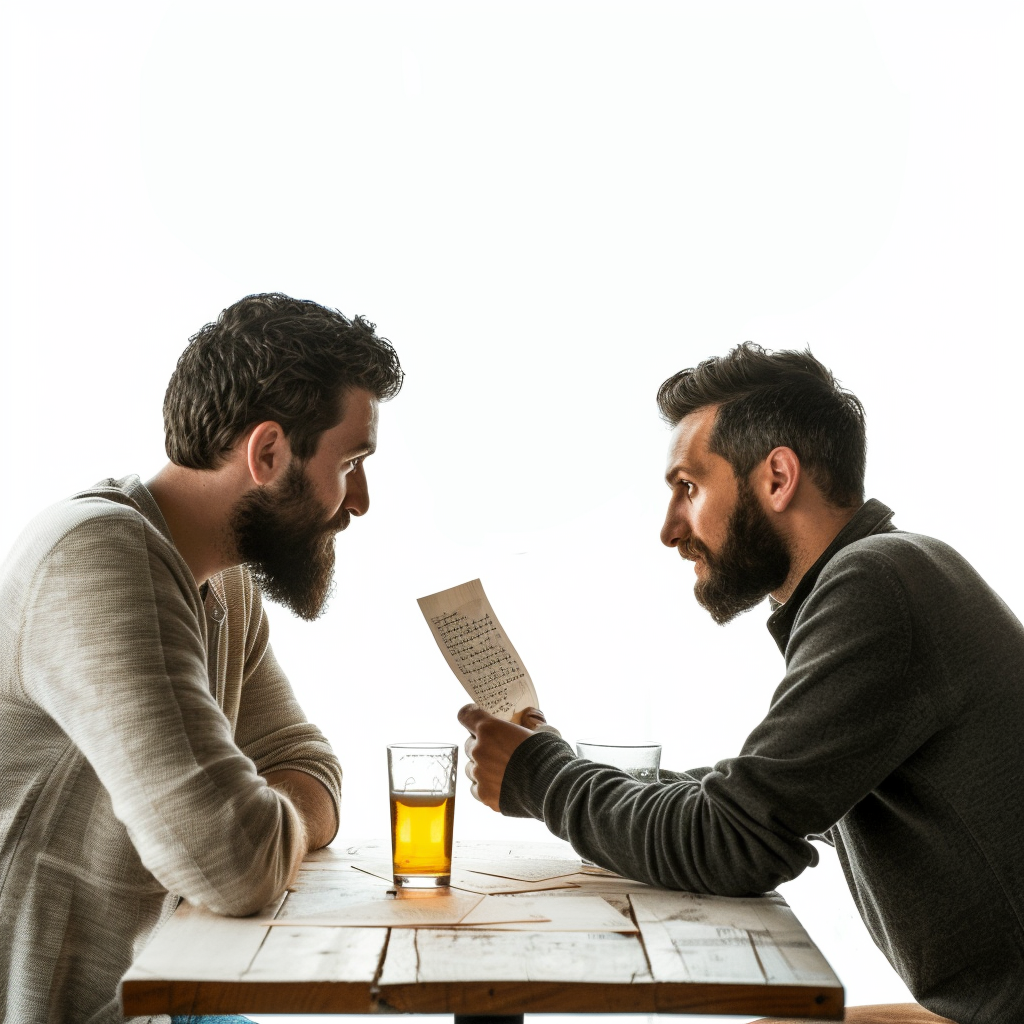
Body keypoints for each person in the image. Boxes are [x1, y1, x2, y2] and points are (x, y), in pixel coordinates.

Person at [458, 343, 1024, 1024]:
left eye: (688, 488)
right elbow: (747, 798)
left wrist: (545, 780)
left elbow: (736, 838)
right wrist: (560, 767)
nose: (671, 529)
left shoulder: (877, 584)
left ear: (777, 477)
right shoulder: (890, 575)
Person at [0, 293, 404, 1023]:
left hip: (158, 993)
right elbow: (234, 863)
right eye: (352, 462)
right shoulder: (98, 557)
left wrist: (261, 815)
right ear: (269, 453)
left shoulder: (225, 581)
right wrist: (254, 822)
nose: (361, 500)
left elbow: (307, 764)